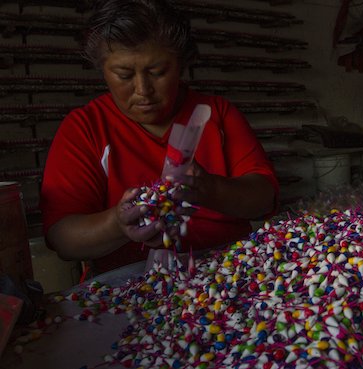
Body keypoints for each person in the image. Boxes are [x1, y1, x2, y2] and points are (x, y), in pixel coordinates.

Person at [40, 0, 278, 274]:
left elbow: (265, 198)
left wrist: (210, 189)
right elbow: (63, 239)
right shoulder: (85, 128)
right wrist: (118, 225)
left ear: (181, 64)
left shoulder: (216, 114)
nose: (143, 90)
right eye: (124, 74)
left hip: (228, 272)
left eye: (157, 72)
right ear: (103, 69)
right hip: (129, 286)